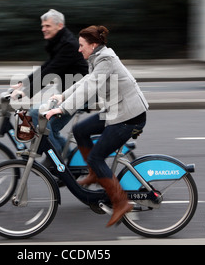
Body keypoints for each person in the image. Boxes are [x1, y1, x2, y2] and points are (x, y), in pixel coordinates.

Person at [46, 25, 149, 227]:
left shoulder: (106, 59)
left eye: (82, 45)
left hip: (129, 116)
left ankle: (120, 203)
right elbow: (86, 81)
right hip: (116, 111)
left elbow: (91, 87)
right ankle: (94, 174)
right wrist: (63, 96)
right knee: (79, 130)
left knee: (96, 156)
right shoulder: (97, 58)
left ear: (93, 45)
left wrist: (63, 109)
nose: (79, 49)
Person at [12, 9, 88, 154]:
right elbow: (47, 66)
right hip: (68, 93)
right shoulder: (60, 42)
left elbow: (51, 71)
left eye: (47, 26)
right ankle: (67, 159)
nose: (43, 29)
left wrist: (25, 92)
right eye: (43, 26)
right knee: (48, 128)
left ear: (59, 26)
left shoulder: (68, 45)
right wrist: (24, 83)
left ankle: (57, 161)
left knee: (36, 114)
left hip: (80, 95)